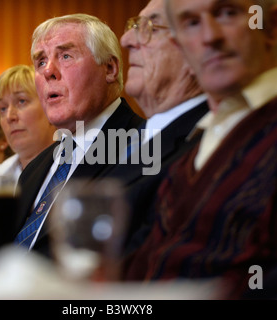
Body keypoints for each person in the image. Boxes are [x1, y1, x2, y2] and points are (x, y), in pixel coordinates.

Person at [123, 0, 277, 299]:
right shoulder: (197, 148)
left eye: (227, 13)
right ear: (179, 45)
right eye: (191, 23)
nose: (209, 36)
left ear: (270, 25)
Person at [13, 14, 144, 256]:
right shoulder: (33, 171)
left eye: (65, 56)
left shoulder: (146, 150)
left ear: (110, 68)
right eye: (40, 62)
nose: (48, 71)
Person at [101, 0, 209, 255]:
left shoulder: (206, 145)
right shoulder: (130, 139)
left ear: (197, 47)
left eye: (150, 27)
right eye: (134, 26)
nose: (126, 39)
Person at [0, 65, 55, 187]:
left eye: (21, 101)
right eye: (3, 108)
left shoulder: (77, 173)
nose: (10, 117)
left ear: (50, 107)